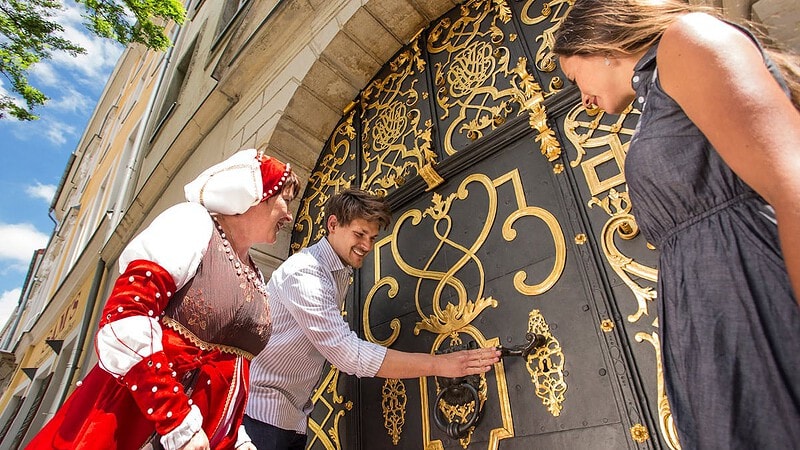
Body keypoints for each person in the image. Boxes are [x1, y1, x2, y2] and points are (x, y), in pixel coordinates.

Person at [553, 0, 800, 447]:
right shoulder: (657, 94)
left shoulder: (686, 42)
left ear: (599, 44)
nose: (582, 98)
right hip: (714, 315)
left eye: (575, 79)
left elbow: (792, 182)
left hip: (752, 295)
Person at [27, 149, 300, 450]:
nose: (289, 214)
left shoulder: (255, 275)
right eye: (284, 198)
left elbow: (233, 376)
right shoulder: (192, 224)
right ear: (254, 195)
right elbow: (125, 322)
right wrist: (175, 419)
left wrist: (237, 438)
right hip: (140, 424)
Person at [242, 188, 501, 450]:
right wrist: (439, 365)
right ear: (333, 224)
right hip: (262, 414)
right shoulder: (305, 273)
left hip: (290, 417)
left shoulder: (338, 270)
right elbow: (346, 353)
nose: (367, 246)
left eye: (373, 237)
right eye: (359, 234)